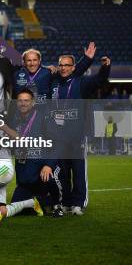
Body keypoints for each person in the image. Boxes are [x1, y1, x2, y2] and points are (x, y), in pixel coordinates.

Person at [49, 53, 111, 215]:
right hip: (58, 136)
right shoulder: (54, 83)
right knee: (62, 172)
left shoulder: (81, 83)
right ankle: (66, 202)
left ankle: (78, 204)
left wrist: (105, 67)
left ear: (73, 68)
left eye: (67, 65)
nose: (63, 68)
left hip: (77, 136)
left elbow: (99, 80)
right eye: (61, 65)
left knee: (78, 171)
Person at [5, 89, 62, 218]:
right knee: (16, 208)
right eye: (20, 100)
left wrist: (49, 165)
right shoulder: (14, 121)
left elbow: (56, 143)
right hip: (25, 177)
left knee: (51, 180)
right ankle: (36, 203)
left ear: (33, 102)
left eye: (26, 100)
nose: (23, 103)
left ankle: (55, 203)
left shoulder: (43, 118)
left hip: (42, 172)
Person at [13, 44, 94, 103]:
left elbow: (71, 72)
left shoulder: (48, 72)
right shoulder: (16, 74)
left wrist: (87, 59)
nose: (32, 63)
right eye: (29, 60)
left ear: (39, 61)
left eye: (35, 60)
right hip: (22, 113)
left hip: (43, 115)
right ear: (24, 62)